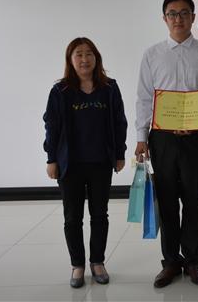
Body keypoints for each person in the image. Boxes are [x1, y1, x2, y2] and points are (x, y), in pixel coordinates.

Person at [135, 0, 198, 287]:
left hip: (195, 138)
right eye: (172, 14)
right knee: (167, 202)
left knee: (193, 201)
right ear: (164, 19)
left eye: (184, 13)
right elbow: (144, 98)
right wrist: (141, 137)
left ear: (193, 17)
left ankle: (193, 262)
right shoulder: (152, 54)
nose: (178, 18)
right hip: (162, 139)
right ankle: (171, 262)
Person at [43, 37, 127, 288]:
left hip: (101, 162)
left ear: (96, 58)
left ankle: (97, 262)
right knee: (72, 217)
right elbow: (51, 126)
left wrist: (120, 153)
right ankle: (77, 264)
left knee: (100, 214)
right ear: (70, 60)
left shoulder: (109, 87)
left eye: (89, 53)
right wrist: (51, 159)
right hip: (70, 165)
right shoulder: (60, 91)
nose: (84, 59)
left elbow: (119, 121)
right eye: (78, 54)